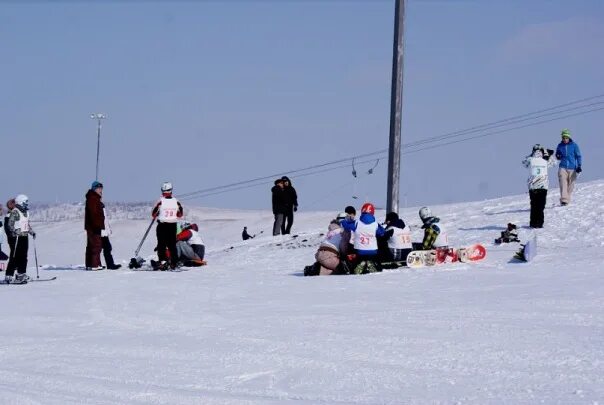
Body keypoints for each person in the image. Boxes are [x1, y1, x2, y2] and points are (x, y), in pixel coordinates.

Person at [340, 202, 385, 274]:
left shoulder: (356, 223)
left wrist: (343, 220)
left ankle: (361, 264)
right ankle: (372, 264)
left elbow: (346, 225)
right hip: (373, 251)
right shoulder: (375, 224)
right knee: (377, 261)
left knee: (355, 257)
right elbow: (382, 232)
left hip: (359, 251)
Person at [304, 212, 349, 276]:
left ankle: (316, 268)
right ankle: (316, 270)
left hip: (319, 253)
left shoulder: (332, 230)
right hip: (329, 255)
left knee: (329, 265)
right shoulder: (342, 231)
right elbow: (343, 248)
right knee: (343, 268)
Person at [522, 144, 556, 228]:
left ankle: (533, 223)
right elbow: (554, 163)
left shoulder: (530, 159)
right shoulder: (546, 159)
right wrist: (549, 154)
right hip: (543, 185)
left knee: (534, 205)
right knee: (541, 205)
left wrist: (531, 155)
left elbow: (524, 163)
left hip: (532, 186)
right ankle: (539, 223)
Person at [152, 182, 183, 270]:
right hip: (172, 226)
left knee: (161, 244)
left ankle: (163, 261)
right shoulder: (176, 201)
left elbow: (154, 214)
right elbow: (180, 214)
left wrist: (159, 214)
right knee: (172, 245)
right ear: (171, 190)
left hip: (162, 225)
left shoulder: (160, 201)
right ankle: (174, 263)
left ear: (162, 191)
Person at [4, 194, 35, 283]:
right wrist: (14, 231)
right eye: (25, 202)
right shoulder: (15, 212)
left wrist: (31, 231)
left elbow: (25, 224)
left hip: (24, 237)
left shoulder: (26, 212)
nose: (27, 204)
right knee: (15, 256)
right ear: (21, 202)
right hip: (17, 237)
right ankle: (9, 275)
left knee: (24, 256)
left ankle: (21, 274)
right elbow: (10, 224)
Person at [555, 129, 582, 206]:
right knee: (563, 183)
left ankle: (567, 199)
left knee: (571, 184)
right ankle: (564, 200)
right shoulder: (560, 145)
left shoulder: (574, 145)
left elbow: (578, 156)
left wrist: (579, 165)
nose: (564, 139)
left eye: (566, 137)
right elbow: (557, 155)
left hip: (572, 167)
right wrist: (558, 156)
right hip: (562, 167)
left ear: (569, 137)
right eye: (563, 137)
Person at [85, 181, 106, 270]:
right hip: (94, 226)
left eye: (101, 188)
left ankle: (91, 264)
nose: (100, 190)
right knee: (96, 245)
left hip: (92, 226)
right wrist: (97, 224)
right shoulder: (93, 198)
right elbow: (94, 213)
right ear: (94, 189)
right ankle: (94, 265)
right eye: (99, 188)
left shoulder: (94, 198)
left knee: (91, 245)